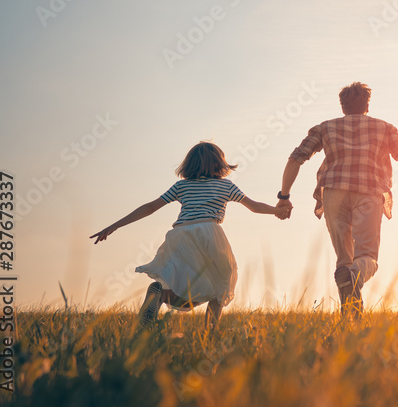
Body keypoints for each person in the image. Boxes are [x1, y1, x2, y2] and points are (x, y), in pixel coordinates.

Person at [277, 82, 398, 318]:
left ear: (342, 106)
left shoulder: (324, 128)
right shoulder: (384, 128)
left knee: (345, 259)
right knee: (367, 257)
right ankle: (353, 291)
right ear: (367, 105)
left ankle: (351, 318)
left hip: (333, 192)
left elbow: (296, 159)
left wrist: (284, 196)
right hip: (369, 190)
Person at [91, 142, 286, 332]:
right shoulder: (226, 186)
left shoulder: (181, 186)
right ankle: (210, 332)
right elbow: (254, 207)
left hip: (180, 234)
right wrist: (277, 210)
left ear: (189, 165)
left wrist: (114, 226)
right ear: (219, 163)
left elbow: (150, 207)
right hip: (209, 232)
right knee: (222, 283)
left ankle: (159, 296)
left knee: (182, 281)